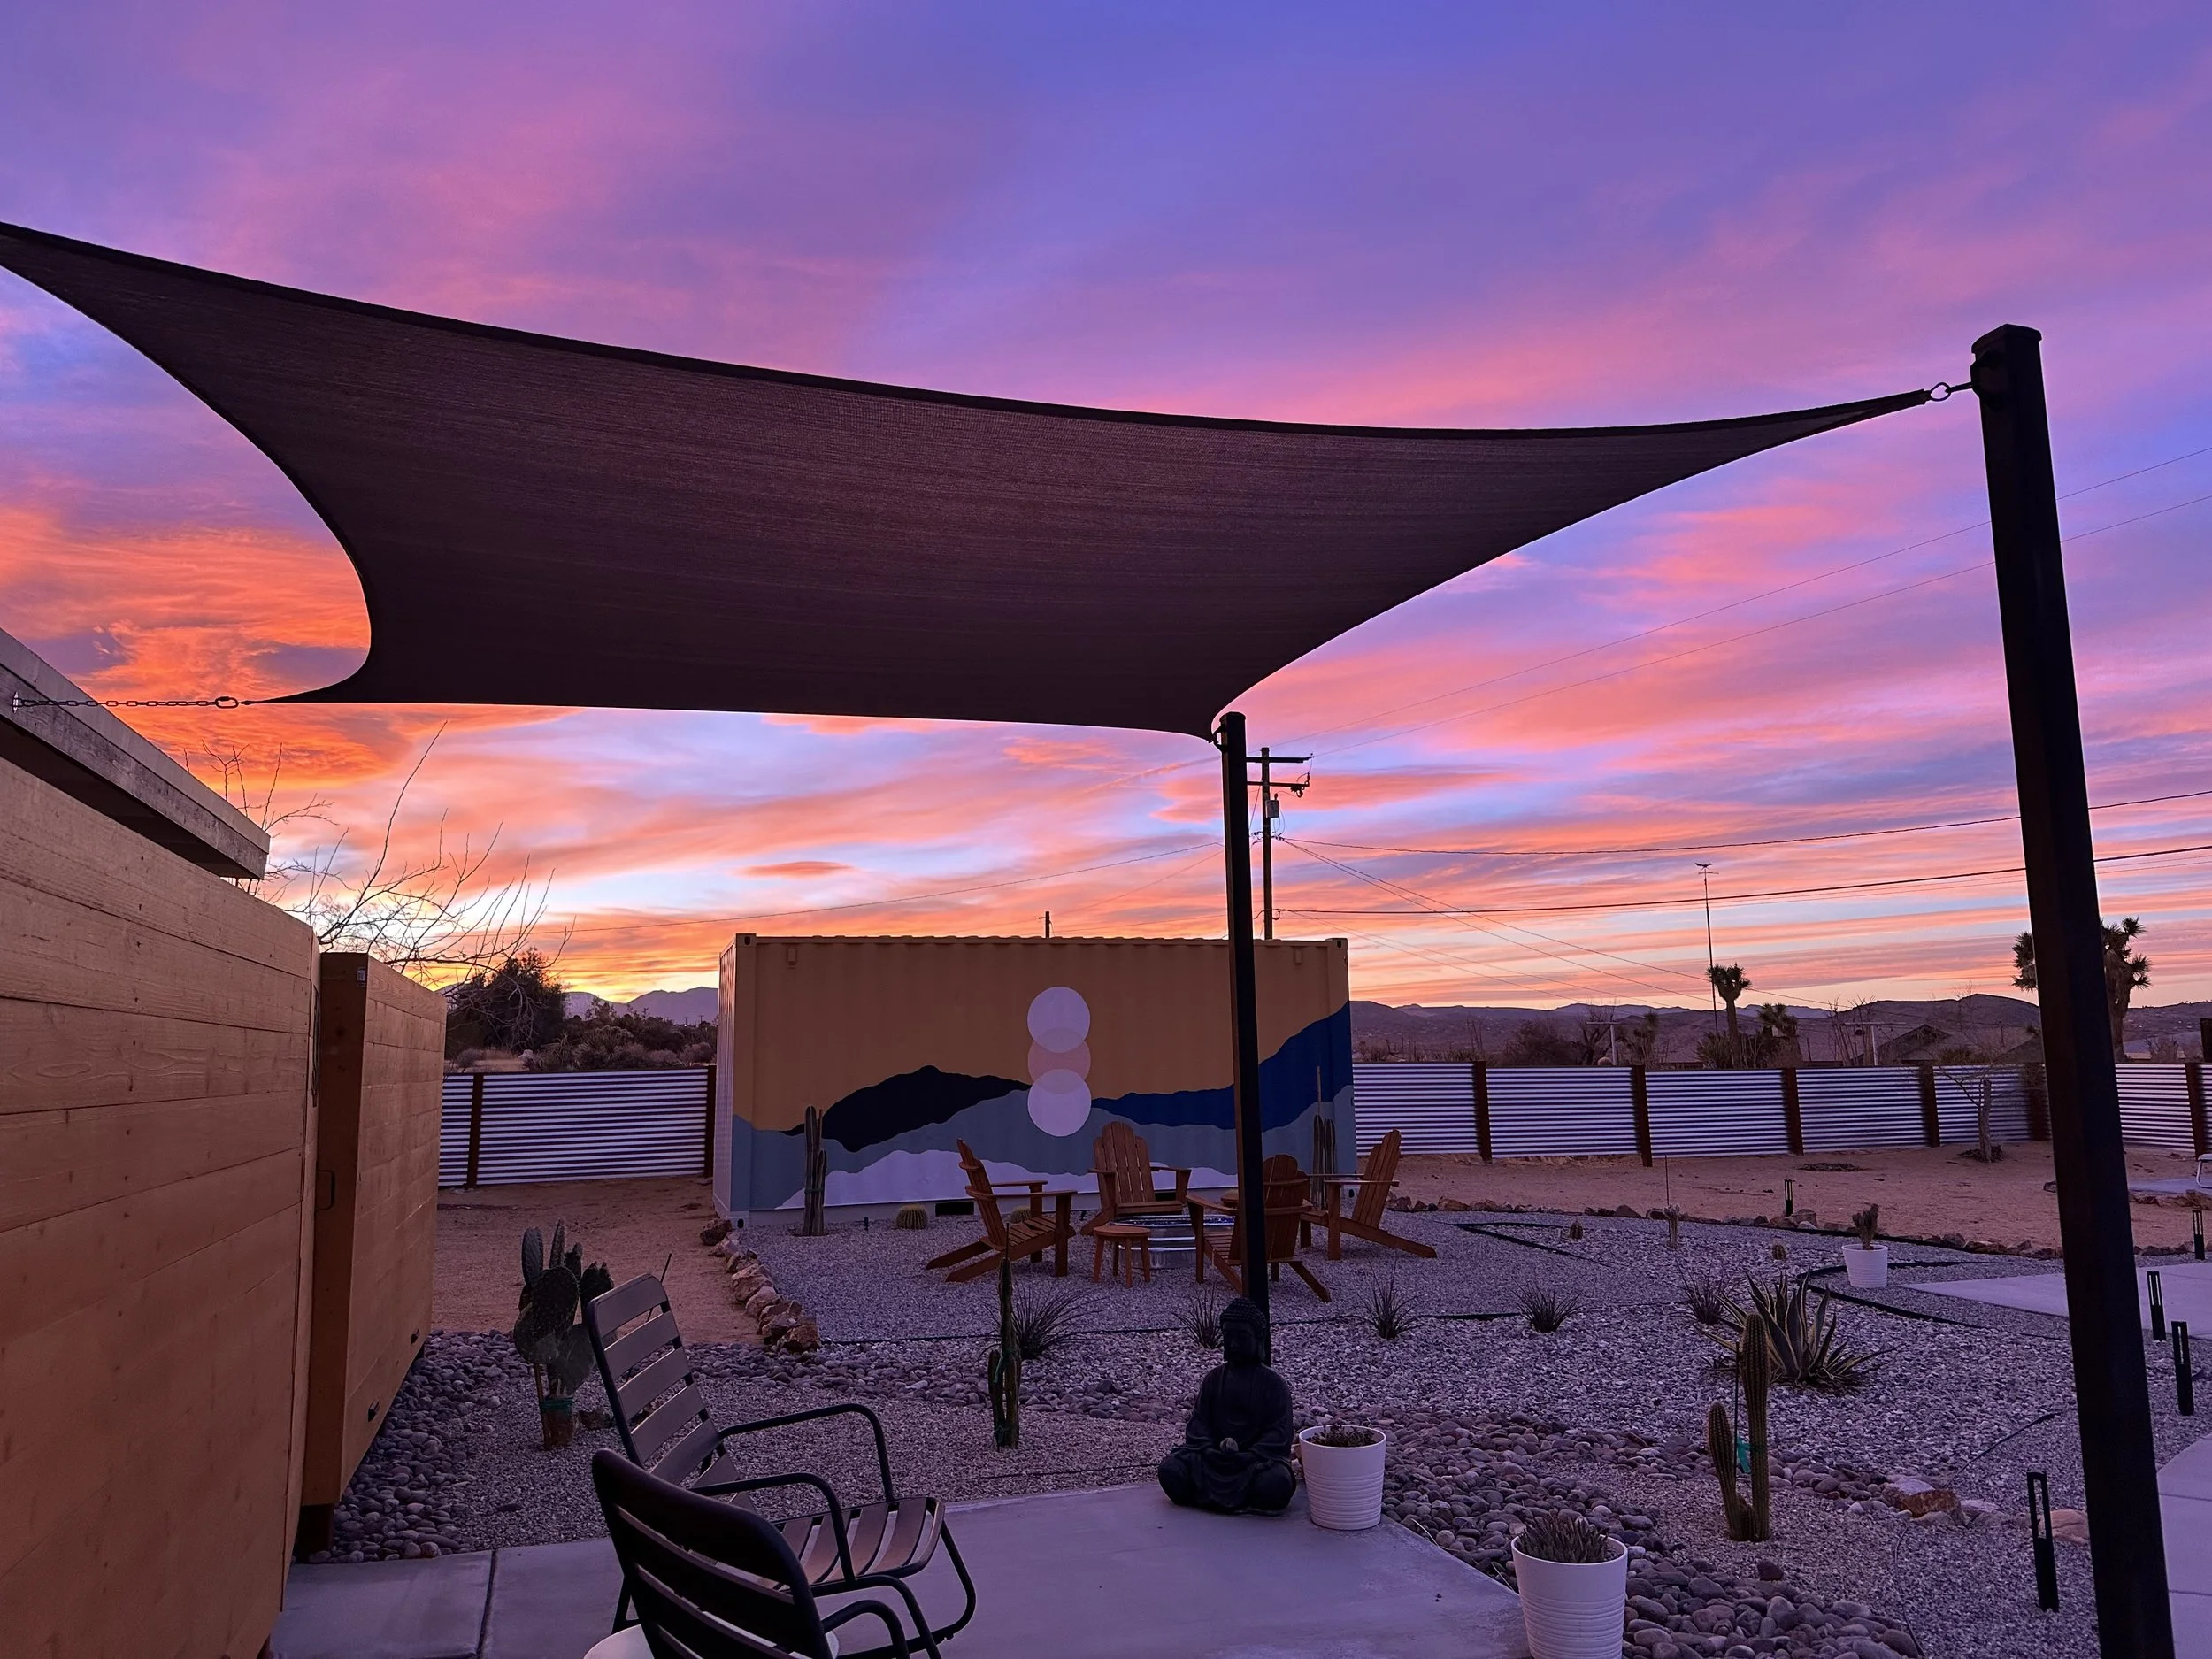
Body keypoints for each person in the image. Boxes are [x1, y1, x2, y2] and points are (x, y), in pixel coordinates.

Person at [1156, 1296, 1295, 1514]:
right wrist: (1210, 1448)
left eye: (1241, 1337)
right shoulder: (1214, 1378)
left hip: (1253, 1462)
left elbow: (1280, 1434)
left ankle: (1243, 1495)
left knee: (1275, 1483)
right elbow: (1199, 1424)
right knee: (1170, 1470)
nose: (1233, 1344)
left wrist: (1250, 1454)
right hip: (1213, 1458)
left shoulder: (1273, 1384)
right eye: (1228, 1336)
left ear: (1258, 1338)